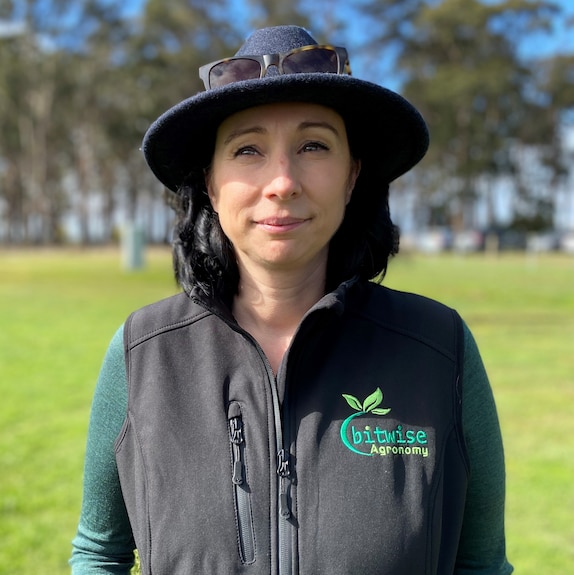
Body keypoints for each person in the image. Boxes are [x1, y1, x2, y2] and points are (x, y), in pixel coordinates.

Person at [70, 25, 512, 575]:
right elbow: (100, 554)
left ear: (352, 176)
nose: (282, 181)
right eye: (248, 149)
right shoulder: (142, 354)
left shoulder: (440, 350)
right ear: (210, 181)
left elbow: (481, 563)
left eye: (313, 145)